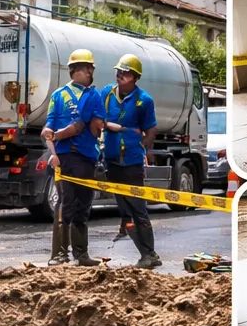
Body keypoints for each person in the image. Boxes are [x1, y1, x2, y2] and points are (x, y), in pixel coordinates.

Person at [41, 49, 105, 266]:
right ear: (79, 69)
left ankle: (81, 254)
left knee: (83, 204)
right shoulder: (59, 95)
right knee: (65, 202)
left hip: (85, 157)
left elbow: (82, 125)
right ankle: (59, 253)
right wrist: (49, 136)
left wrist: (55, 135)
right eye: (90, 68)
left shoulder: (93, 95)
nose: (92, 72)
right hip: (66, 158)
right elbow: (50, 123)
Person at [100, 54, 162, 268]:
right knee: (124, 210)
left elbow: (151, 129)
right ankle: (145, 253)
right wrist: (107, 127)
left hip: (132, 163)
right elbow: (97, 118)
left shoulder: (143, 100)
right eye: (118, 72)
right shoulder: (107, 93)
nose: (120, 76)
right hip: (111, 160)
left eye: (125, 73)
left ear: (135, 77)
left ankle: (149, 253)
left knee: (137, 208)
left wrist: (140, 145)